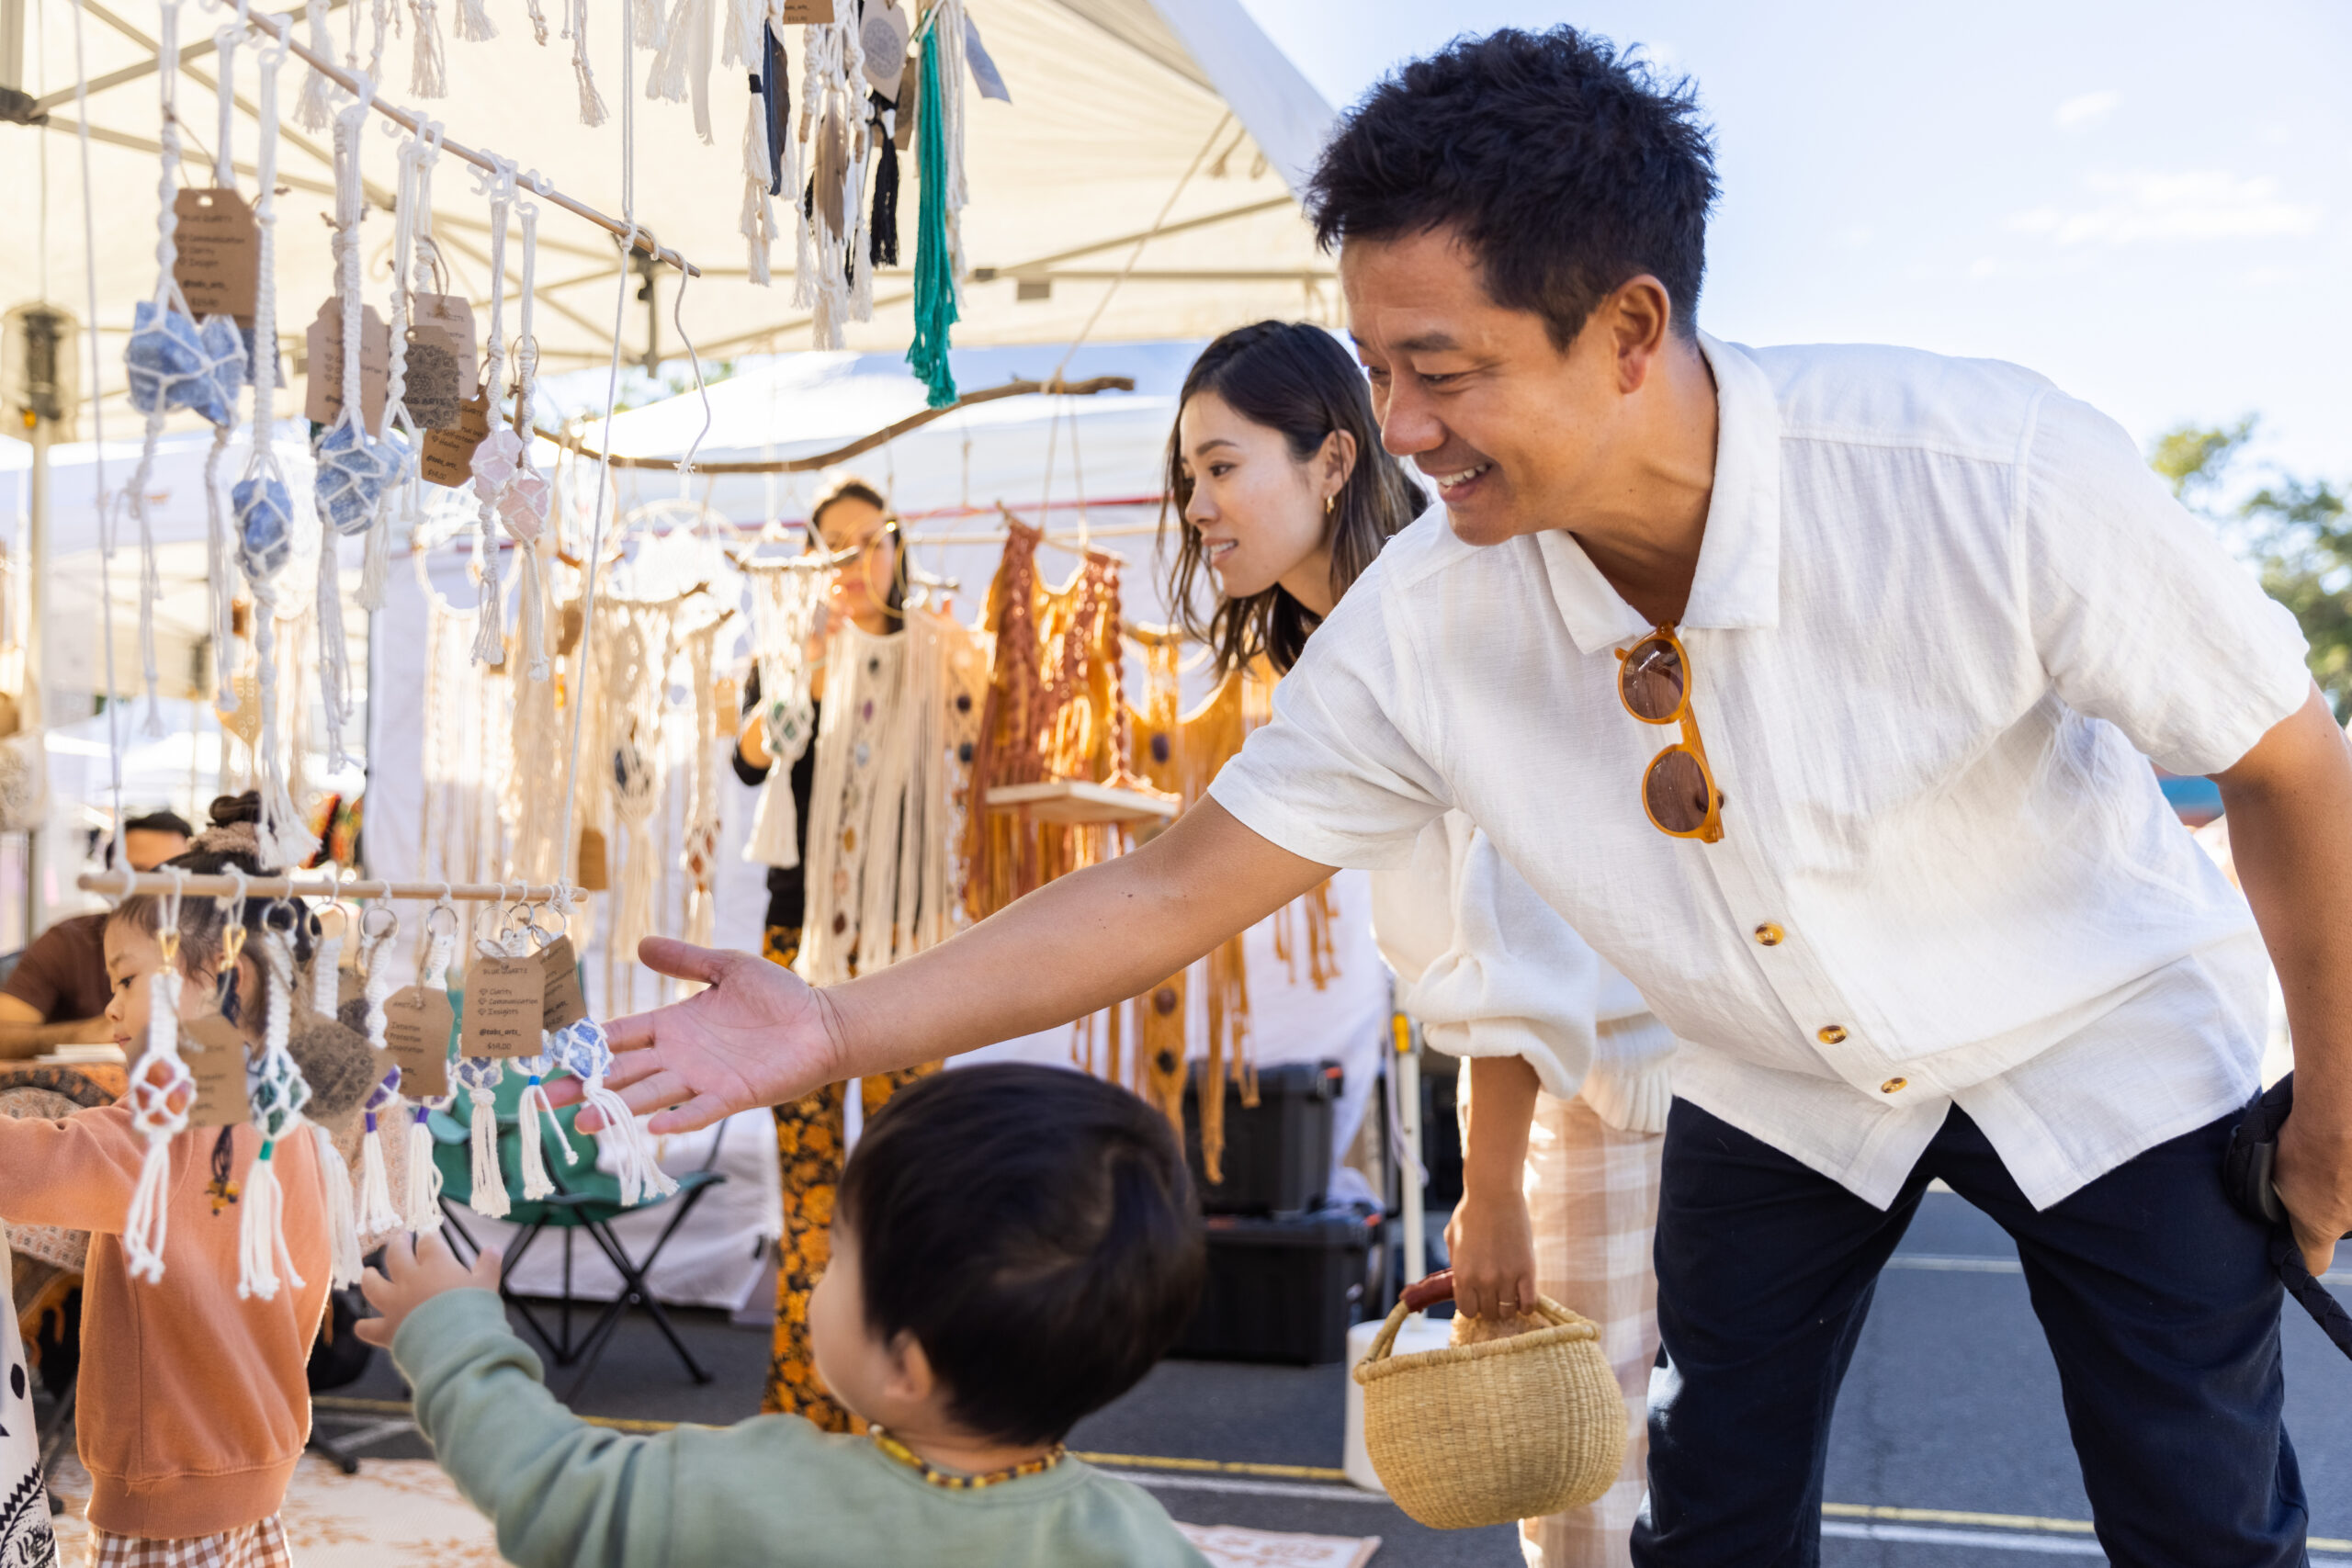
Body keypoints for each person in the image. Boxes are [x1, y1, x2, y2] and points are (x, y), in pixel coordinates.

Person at [571, 28, 2352, 1567]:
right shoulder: (1427, 620)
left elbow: (2281, 754)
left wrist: (2336, 1108)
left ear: (1629, 327)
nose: (1401, 430)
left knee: (2196, 1511)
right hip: (1772, 1078)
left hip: (2096, 1033)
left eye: (1443, 369)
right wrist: (831, 1019)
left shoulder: (1988, 471)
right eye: (1378, 370)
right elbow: (1179, 879)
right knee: (1705, 1517)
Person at [1163, 319, 1675, 1566]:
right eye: (1187, 477)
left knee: (1582, 1490)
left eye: (1223, 467)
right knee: (1581, 1480)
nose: (1197, 507)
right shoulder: (1352, 644)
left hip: (1595, 1087)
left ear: (1333, 461)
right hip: (1574, 1087)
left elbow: (1520, 909)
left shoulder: (1434, 609)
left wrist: (1486, 1189)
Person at [358, 1064, 1211, 1567]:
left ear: (906, 1367)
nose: (812, 1271)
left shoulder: (749, 1490)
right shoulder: (1138, 1541)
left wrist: (455, 1332)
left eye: (839, 1250)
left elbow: (551, 1488)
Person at [0, 807, 331, 1564]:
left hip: (167, 1487)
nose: (110, 1008)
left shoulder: (164, 1124)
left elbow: (28, 1167)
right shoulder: (289, 1114)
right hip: (257, 1458)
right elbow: (304, 1289)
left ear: (220, 981)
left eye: (125, 980)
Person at [729, 473, 928, 1430]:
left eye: (867, 541)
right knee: (809, 1178)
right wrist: (802, 669)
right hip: (797, 945)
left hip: (911, 949)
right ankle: (806, 1401)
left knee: (905, 1176)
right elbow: (748, 758)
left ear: (897, 548)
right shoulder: (786, 652)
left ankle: (904, 1393)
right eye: (831, 547)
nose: (850, 563)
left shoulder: (939, 659)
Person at [0, 810, 193, 1059]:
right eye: (139, 874)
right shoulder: (67, 943)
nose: (154, 888)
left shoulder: (213, 948)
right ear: (109, 881)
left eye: (170, 877)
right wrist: (85, 1034)